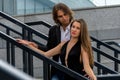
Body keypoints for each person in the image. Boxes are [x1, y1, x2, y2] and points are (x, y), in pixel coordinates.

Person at [16, 19, 97, 80]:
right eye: (73, 27)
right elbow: (46, 54)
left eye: (78, 28)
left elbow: (86, 66)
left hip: (79, 78)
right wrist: (29, 45)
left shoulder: (83, 45)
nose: (74, 30)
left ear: (82, 31)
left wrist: (93, 77)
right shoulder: (63, 44)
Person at [16, 3, 74, 80]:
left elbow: (85, 48)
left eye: (65, 14)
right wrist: (35, 46)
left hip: (72, 70)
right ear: (57, 18)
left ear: (69, 13)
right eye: (60, 16)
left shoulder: (76, 27)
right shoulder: (53, 30)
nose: (64, 18)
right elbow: (49, 49)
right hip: (57, 68)